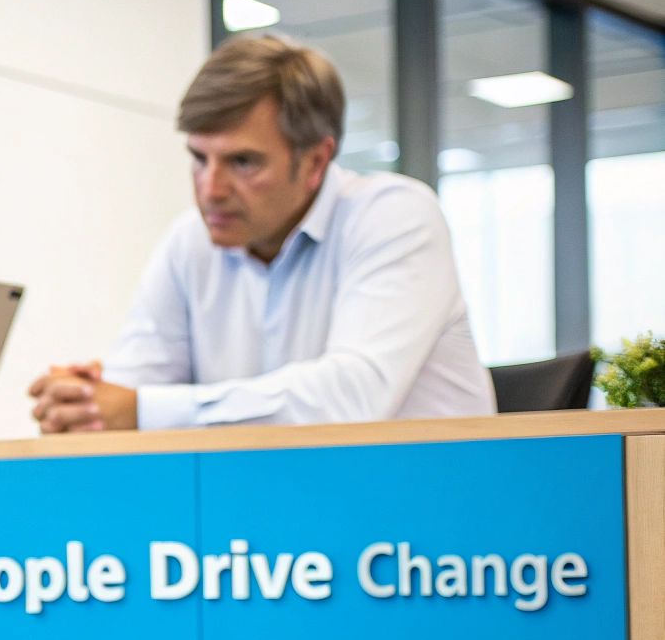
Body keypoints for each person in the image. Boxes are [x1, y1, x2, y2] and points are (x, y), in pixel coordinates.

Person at [29, 34, 494, 433]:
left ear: (314, 161)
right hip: (279, 520)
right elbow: (132, 393)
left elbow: (352, 400)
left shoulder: (394, 216)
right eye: (199, 158)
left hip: (433, 522)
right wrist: (85, 403)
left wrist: (140, 409)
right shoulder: (190, 242)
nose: (210, 190)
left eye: (242, 162)